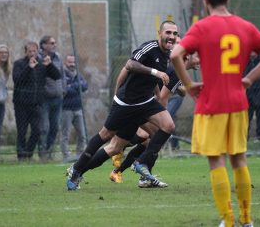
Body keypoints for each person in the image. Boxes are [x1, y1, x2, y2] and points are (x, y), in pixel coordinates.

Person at [170, 0, 260, 227]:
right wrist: (249, 79)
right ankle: (246, 219)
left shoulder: (201, 28)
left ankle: (229, 220)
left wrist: (188, 84)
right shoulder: (245, 26)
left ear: (205, 0)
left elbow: (176, 54)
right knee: (239, 159)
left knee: (216, 160)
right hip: (238, 102)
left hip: (211, 104)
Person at [66, 20, 178, 191]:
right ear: (160, 34)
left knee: (168, 126)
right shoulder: (150, 48)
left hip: (145, 103)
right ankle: (77, 169)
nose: (171, 37)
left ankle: (141, 164)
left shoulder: (168, 55)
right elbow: (130, 65)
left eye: (174, 34)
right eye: (168, 33)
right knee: (107, 138)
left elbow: (153, 79)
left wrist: (156, 92)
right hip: (126, 103)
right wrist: (119, 93)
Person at [108, 52, 200, 187]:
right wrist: (162, 118)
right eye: (198, 57)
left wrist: (182, 89)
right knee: (156, 136)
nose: (200, 60)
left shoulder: (177, 71)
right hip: (143, 106)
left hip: (141, 104)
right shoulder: (175, 70)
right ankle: (124, 156)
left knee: (148, 141)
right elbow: (162, 97)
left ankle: (121, 169)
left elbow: (168, 86)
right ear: (188, 57)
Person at [13, 41, 61, 161]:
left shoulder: (41, 64)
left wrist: (50, 65)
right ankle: (21, 156)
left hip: (36, 104)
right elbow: (18, 80)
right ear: (25, 52)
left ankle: (28, 153)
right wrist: (29, 68)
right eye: (30, 51)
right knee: (22, 131)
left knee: (37, 130)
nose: (32, 53)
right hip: (21, 104)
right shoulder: (19, 64)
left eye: (34, 51)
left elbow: (57, 76)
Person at [39, 35, 65, 160]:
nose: (54, 45)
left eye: (54, 43)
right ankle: (42, 152)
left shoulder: (58, 57)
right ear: (44, 45)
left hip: (58, 97)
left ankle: (49, 151)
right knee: (44, 127)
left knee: (55, 127)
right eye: (51, 43)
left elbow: (62, 75)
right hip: (45, 98)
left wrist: (63, 90)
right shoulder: (39, 58)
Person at [60, 55, 88, 162]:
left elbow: (85, 86)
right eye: (70, 62)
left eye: (74, 62)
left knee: (82, 134)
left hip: (78, 109)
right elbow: (66, 90)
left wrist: (73, 86)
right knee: (65, 134)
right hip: (66, 109)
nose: (72, 64)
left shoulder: (78, 74)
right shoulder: (62, 75)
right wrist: (77, 87)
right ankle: (66, 156)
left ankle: (80, 155)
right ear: (65, 63)